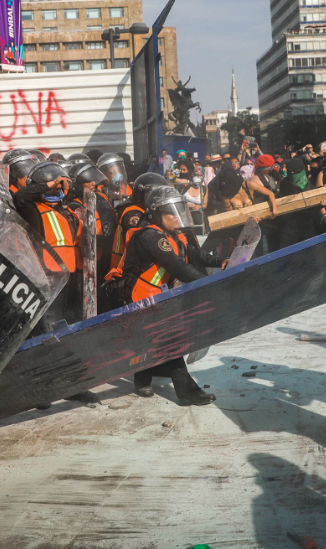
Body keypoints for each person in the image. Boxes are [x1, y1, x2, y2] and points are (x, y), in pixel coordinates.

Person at [102, 186, 226, 405]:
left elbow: (192, 254)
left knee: (148, 339)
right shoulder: (150, 235)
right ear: (156, 214)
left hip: (156, 293)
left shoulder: (172, 235)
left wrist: (219, 262)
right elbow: (176, 265)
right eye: (171, 211)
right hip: (139, 295)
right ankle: (187, 393)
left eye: (179, 209)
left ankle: (142, 379)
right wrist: (207, 283)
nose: (177, 215)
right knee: (169, 340)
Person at [13, 161, 82, 324]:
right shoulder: (33, 210)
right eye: (52, 187)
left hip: (71, 274)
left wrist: (64, 182)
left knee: (70, 318)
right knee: (51, 320)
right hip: (48, 275)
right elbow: (19, 197)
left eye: (58, 187)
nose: (56, 189)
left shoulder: (66, 209)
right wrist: (48, 184)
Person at [109, 172, 169, 271]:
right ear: (142, 194)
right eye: (153, 194)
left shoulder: (148, 211)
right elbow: (143, 240)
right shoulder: (132, 214)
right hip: (125, 268)